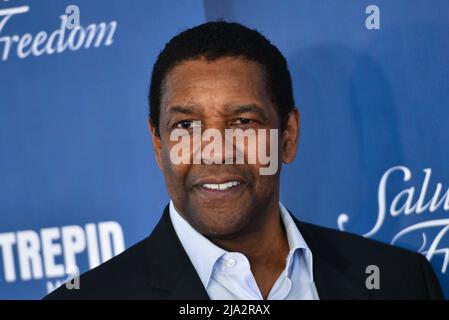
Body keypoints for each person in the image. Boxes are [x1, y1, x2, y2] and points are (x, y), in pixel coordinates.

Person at [45, 21, 443, 300]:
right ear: (158, 144)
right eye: (187, 125)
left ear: (287, 136)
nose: (216, 149)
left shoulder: (400, 281)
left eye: (243, 122)